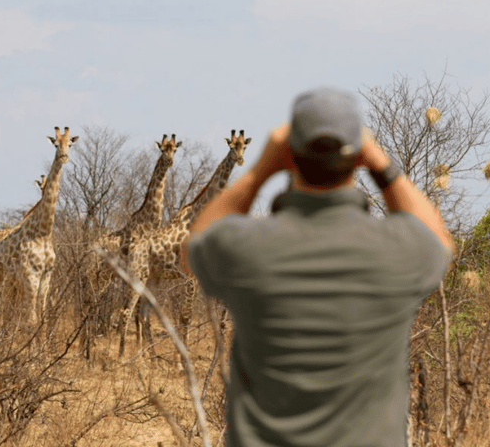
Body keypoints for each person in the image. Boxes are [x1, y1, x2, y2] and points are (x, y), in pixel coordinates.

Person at [182, 87, 455, 447]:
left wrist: (260, 170)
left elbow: (193, 246)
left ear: (288, 156)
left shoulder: (247, 248)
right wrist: (381, 164)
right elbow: (440, 241)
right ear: (358, 155)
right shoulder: (398, 250)